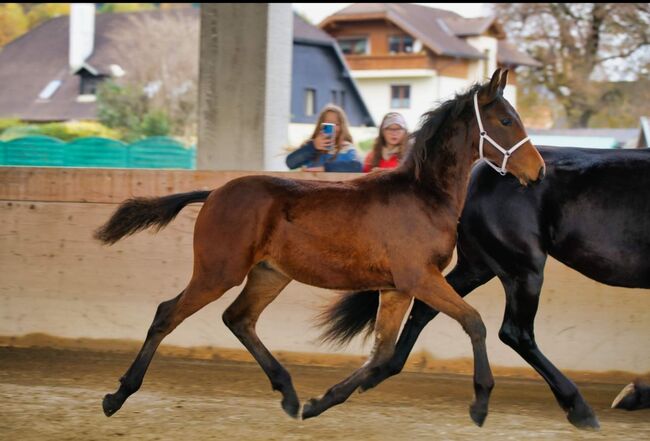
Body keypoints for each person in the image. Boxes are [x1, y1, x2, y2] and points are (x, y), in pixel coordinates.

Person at [286, 104, 362, 172]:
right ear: (321, 126)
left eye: (337, 124)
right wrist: (313, 146)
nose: (333, 128)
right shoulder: (311, 147)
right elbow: (290, 163)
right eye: (329, 124)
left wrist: (325, 169)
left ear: (342, 127)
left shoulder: (347, 148)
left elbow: (357, 167)